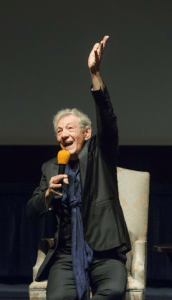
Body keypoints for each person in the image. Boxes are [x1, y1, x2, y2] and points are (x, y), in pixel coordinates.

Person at [26, 35, 131, 300]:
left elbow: (108, 120)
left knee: (113, 291)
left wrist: (95, 74)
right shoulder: (50, 167)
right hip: (65, 256)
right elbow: (31, 210)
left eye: (70, 128)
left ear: (86, 133)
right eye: (59, 131)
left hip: (104, 253)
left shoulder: (100, 154)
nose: (63, 134)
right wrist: (48, 195)